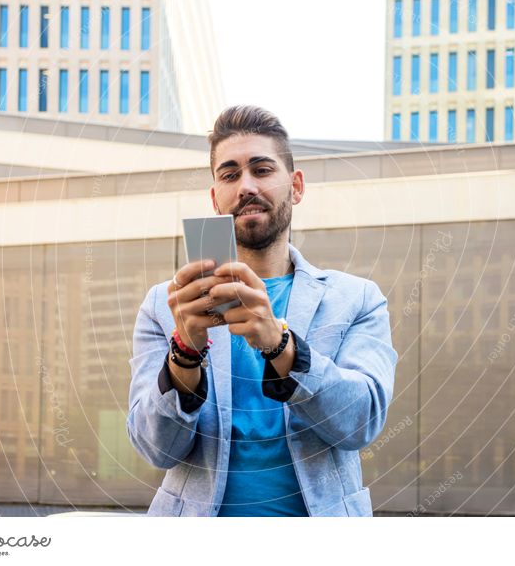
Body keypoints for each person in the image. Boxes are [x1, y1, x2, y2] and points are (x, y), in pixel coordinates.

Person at [127, 105, 397, 517]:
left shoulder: (357, 299)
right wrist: (184, 352)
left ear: (297, 186)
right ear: (215, 198)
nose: (246, 186)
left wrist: (280, 345)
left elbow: (360, 423)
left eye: (262, 169)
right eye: (230, 174)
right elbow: (155, 448)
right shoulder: (167, 306)